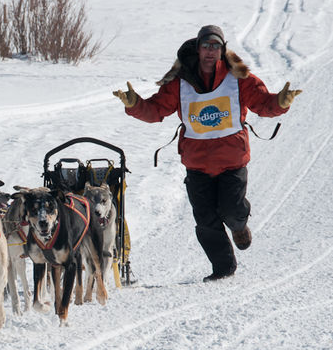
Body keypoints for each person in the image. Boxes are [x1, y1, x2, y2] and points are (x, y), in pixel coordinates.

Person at [113, 25, 302, 282]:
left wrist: (280, 103)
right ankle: (223, 268)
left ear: (223, 51)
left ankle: (239, 227)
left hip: (231, 160)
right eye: (206, 46)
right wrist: (135, 105)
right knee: (205, 219)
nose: (211, 51)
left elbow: (262, 103)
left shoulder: (238, 79)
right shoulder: (180, 84)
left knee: (231, 210)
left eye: (216, 46)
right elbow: (156, 110)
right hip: (197, 164)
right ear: (198, 48)